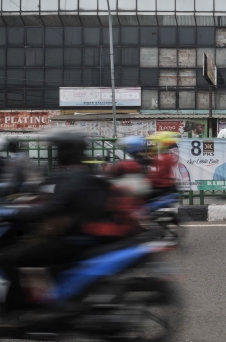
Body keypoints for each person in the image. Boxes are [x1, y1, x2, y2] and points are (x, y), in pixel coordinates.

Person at [0, 128, 142, 314]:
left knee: (12, 258)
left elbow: (50, 207)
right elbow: (44, 195)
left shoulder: (74, 175)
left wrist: (12, 213)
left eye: (57, 149)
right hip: (75, 232)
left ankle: (29, 307)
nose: (55, 153)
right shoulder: (76, 171)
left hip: (76, 236)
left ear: (65, 151)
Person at [146, 132, 178, 199]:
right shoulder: (168, 157)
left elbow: (155, 173)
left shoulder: (158, 158)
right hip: (168, 185)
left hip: (158, 186)